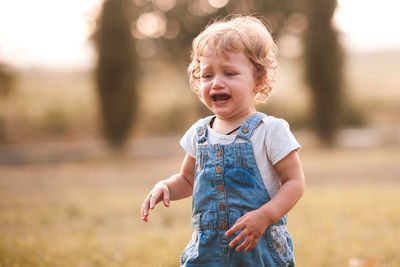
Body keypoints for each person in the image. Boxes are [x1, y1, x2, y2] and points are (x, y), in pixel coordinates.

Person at [141, 15, 305, 267]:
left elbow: (294, 182)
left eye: (229, 73)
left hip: (258, 251)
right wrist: (166, 186)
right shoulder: (199, 133)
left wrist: (265, 215)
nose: (216, 83)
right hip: (208, 252)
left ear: (258, 79)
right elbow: (187, 179)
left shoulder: (270, 130)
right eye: (207, 75)